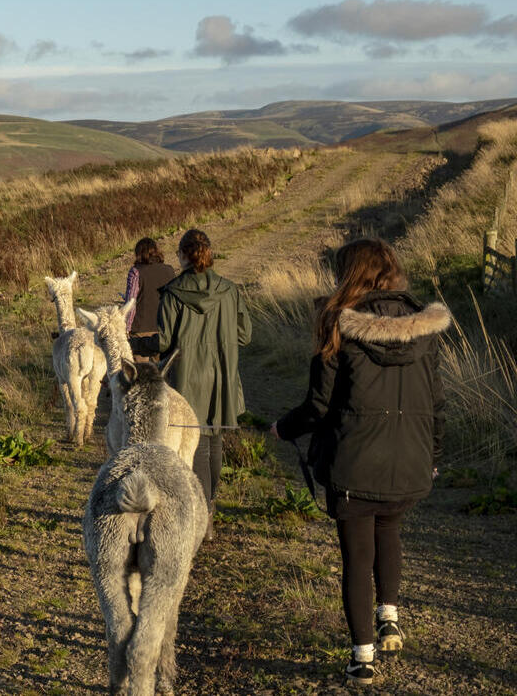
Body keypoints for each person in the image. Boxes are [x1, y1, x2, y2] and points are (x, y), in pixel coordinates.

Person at [270, 238, 448, 688]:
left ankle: (362, 658)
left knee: (357, 555)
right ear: (391, 270)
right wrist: (433, 455)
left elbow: (317, 405)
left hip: (355, 462)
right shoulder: (423, 328)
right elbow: (437, 403)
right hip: (410, 458)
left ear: (348, 274)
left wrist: (282, 429)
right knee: (389, 530)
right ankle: (389, 617)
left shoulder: (338, 325)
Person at [156, 229, 250, 514]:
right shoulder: (230, 291)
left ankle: (202, 514)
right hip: (222, 377)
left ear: (183, 255)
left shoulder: (173, 293)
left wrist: (134, 341)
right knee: (214, 441)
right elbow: (244, 335)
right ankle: (209, 508)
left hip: (186, 379)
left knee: (195, 447)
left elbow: (162, 341)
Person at [123, 237, 177, 360]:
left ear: (138, 254)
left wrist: (126, 328)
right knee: (163, 373)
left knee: (142, 374)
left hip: (140, 332)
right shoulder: (169, 270)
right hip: (164, 330)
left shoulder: (136, 272)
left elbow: (130, 303)